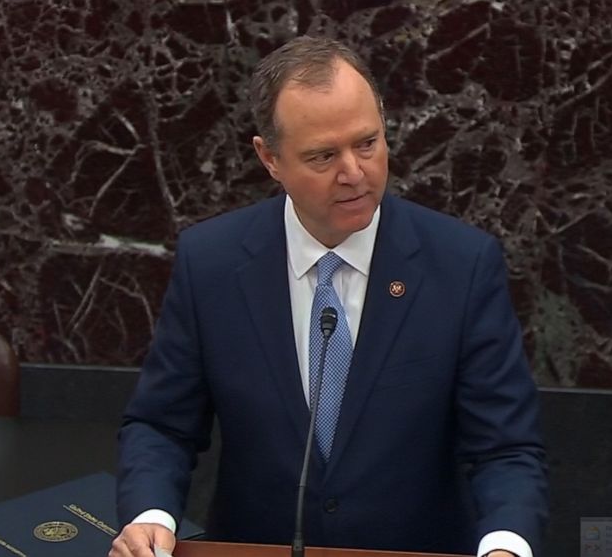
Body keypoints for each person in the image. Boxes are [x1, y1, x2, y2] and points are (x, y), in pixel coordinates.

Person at [110, 36, 548, 557]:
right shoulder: (213, 263)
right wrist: (151, 515)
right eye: (323, 156)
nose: (354, 173)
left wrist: (505, 544)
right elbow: (161, 425)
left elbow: (506, 449)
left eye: (367, 143)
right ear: (270, 158)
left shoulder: (461, 266)